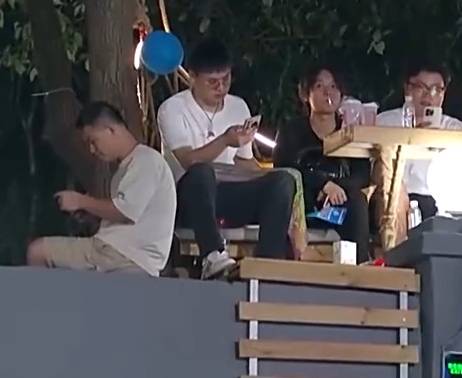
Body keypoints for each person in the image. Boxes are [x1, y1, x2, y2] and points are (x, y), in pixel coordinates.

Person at [157, 38, 298, 278]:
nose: (221, 88)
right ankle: (213, 256)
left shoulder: (238, 106)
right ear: (192, 77)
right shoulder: (173, 109)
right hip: (187, 198)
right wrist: (225, 140)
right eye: (212, 82)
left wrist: (271, 177)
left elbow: (244, 163)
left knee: (283, 180)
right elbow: (188, 160)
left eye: (226, 79)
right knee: (201, 172)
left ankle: (269, 263)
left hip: (228, 194)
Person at [27, 101, 176, 276]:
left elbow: (124, 212)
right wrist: (93, 215)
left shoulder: (146, 160)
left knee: (37, 252)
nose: (92, 149)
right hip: (124, 253)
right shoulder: (131, 166)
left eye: (93, 141)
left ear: (110, 130)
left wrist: (81, 201)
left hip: (121, 254)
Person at [376, 61, 462, 221]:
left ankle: (457, 237)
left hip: (445, 199)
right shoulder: (385, 122)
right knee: (396, 198)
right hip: (402, 195)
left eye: (436, 89)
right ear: (408, 89)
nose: (428, 96)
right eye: (421, 87)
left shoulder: (455, 128)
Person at [273, 65, 374, 262]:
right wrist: (323, 184)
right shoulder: (292, 131)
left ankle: (361, 266)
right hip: (304, 210)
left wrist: (337, 189)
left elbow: (362, 175)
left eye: (334, 86)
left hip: (335, 210)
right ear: (306, 95)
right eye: (320, 86)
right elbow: (283, 166)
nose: (328, 92)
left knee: (357, 202)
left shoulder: (349, 132)